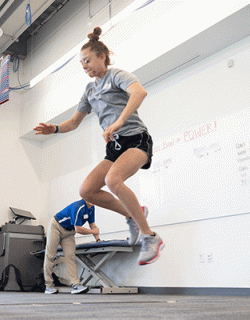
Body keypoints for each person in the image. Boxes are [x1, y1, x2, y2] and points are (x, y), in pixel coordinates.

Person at [34, 27, 164, 266]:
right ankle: (133, 215)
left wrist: (119, 121)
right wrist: (53, 129)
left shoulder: (117, 76)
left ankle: (150, 236)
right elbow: (74, 122)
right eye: (81, 63)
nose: (85, 66)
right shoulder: (90, 90)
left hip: (135, 138)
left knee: (113, 180)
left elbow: (139, 92)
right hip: (114, 147)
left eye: (88, 60)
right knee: (87, 191)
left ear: (102, 56)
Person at [44, 199, 99, 294]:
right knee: (50, 255)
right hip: (56, 226)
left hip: (69, 232)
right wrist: (93, 232)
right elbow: (78, 229)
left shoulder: (92, 208)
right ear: (85, 196)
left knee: (71, 257)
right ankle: (48, 286)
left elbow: (93, 225)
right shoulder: (78, 207)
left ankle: (75, 285)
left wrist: (98, 239)